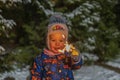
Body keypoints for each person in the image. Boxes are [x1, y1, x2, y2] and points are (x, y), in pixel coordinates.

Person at [30, 14, 83, 80]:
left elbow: (77, 66)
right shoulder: (41, 59)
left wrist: (76, 58)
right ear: (48, 41)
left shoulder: (67, 56)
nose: (57, 44)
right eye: (53, 40)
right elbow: (35, 76)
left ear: (65, 41)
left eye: (61, 41)